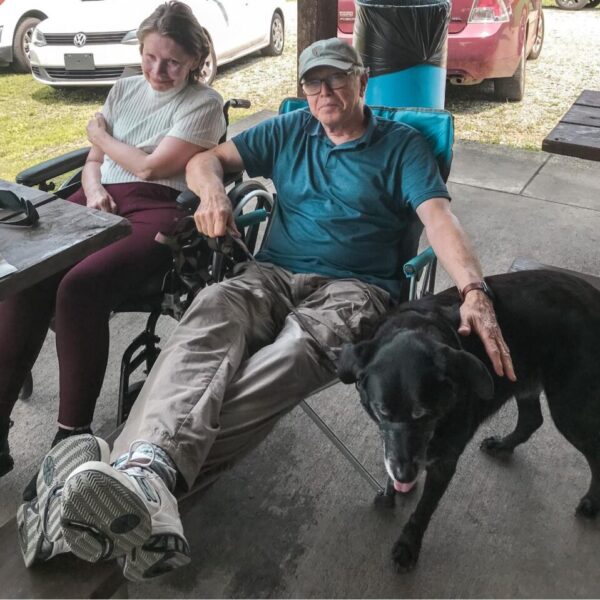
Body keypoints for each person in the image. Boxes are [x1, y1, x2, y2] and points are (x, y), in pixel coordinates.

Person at [16, 38, 516, 581]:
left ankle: (126, 474)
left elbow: (440, 220)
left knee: (291, 353)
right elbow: (205, 159)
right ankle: (144, 485)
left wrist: (474, 292)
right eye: (312, 82)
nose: (324, 93)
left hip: (355, 289)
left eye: (336, 79)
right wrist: (212, 194)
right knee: (207, 316)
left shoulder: (402, 146)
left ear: (363, 79)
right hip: (271, 274)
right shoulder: (290, 128)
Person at [0, 1, 226, 486]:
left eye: (171, 62)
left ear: (194, 60)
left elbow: (149, 169)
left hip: (160, 206)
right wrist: (97, 182)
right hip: (96, 199)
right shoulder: (123, 88)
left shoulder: (203, 104)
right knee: (27, 278)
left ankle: (71, 437)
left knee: (78, 287)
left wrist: (98, 134)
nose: (158, 71)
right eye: (149, 57)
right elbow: (94, 163)